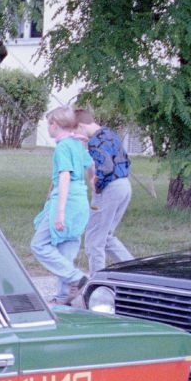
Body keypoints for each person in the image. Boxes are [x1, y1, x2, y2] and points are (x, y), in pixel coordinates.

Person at [30, 107, 92, 307]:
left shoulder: (63, 147)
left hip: (67, 199)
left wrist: (60, 212)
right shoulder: (78, 144)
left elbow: (64, 176)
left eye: (48, 123)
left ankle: (77, 278)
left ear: (55, 124)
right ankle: (64, 296)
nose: (48, 127)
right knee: (67, 246)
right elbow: (91, 166)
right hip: (81, 197)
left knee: (39, 244)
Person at [74, 107, 135, 275]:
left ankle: (98, 281)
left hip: (110, 189)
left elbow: (106, 167)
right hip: (124, 185)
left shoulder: (94, 142)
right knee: (106, 236)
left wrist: (97, 183)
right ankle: (136, 270)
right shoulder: (110, 134)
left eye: (74, 130)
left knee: (94, 240)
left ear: (80, 126)